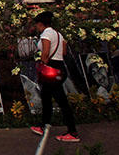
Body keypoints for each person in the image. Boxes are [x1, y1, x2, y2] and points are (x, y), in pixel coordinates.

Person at [30, 11, 80, 142]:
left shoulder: (46, 34)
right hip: (60, 67)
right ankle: (44, 124)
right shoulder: (59, 35)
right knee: (46, 96)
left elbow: (45, 52)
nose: (36, 27)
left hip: (50, 68)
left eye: (37, 25)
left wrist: (43, 65)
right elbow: (63, 52)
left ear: (40, 24)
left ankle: (72, 132)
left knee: (61, 100)